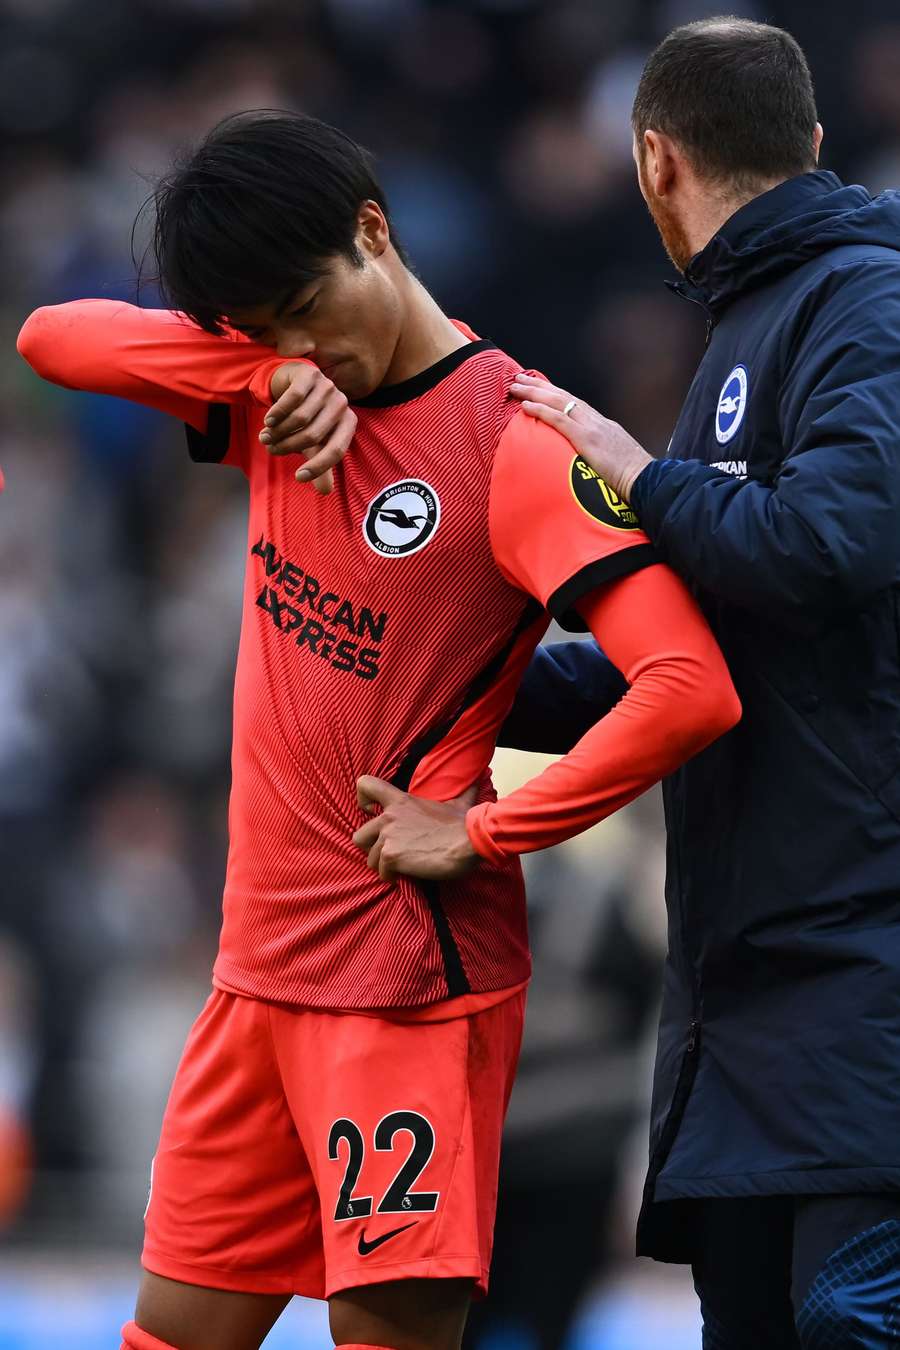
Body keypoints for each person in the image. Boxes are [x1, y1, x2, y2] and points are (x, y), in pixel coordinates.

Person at [17, 112, 740, 1350]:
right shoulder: (278, 392)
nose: (304, 346)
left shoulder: (513, 439)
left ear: (374, 231)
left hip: (401, 990)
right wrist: (258, 369)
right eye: (262, 328)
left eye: (307, 307)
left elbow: (689, 684)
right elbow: (50, 336)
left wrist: (493, 831)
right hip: (255, 973)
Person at [488, 17, 900, 1350]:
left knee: (843, 1328)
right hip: (747, 983)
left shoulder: (868, 301)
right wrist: (437, 680)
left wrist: (637, 474)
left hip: (860, 971)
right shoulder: (749, 333)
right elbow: (684, 653)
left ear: (653, 159)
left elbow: (829, 541)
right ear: (813, 140)